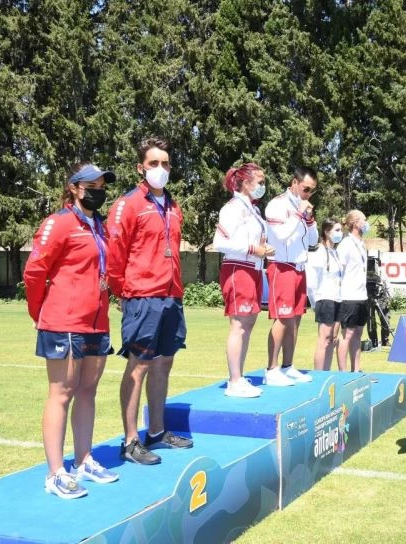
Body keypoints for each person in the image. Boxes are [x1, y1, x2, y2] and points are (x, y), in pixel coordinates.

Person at [24, 163, 119, 499]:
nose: (99, 190)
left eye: (102, 185)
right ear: (75, 188)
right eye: (92, 184)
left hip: (97, 322)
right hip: (63, 321)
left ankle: (84, 460)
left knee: (88, 391)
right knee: (61, 394)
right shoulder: (59, 223)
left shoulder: (101, 227)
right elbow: (35, 270)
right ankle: (55, 473)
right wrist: (39, 312)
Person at [107, 137, 193, 466]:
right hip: (142, 295)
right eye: (154, 163)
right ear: (140, 168)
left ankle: (156, 431)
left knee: (163, 363)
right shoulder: (128, 204)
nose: (161, 169)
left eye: (166, 163)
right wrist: (122, 291)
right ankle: (130, 441)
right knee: (139, 365)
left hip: (171, 293)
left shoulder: (172, 205)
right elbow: (115, 253)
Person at [213, 163, 275, 397]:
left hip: (254, 269)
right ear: (245, 183)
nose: (263, 186)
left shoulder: (253, 210)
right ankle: (234, 379)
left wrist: (263, 249)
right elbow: (220, 242)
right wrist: (252, 249)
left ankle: (239, 376)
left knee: (248, 324)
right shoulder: (233, 208)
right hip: (238, 268)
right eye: (260, 182)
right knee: (239, 324)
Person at [263, 166, 319, 385]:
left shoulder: (302, 208)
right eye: (306, 189)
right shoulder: (277, 205)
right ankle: (271, 368)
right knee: (283, 318)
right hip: (281, 265)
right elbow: (282, 235)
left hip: (299, 266)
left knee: (295, 318)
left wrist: (310, 218)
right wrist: (298, 214)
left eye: (312, 191)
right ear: (294, 183)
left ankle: (288, 365)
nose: (308, 195)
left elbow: (313, 241)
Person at [305, 218, 344, 370]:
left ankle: (326, 373)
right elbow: (311, 282)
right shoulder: (318, 252)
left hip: (337, 299)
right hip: (324, 299)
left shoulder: (335, 252)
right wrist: (315, 303)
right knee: (324, 339)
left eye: (341, 230)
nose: (340, 234)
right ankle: (319, 375)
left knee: (333, 339)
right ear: (327, 232)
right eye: (337, 230)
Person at [336, 210, 369, 372]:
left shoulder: (362, 244)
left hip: (361, 295)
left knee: (358, 334)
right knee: (346, 335)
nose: (366, 223)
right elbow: (338, 271)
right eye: (364, 220)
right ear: (355, 223)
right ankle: (343, 372)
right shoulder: (345, 244)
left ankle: (356, 369)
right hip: (349, 296)